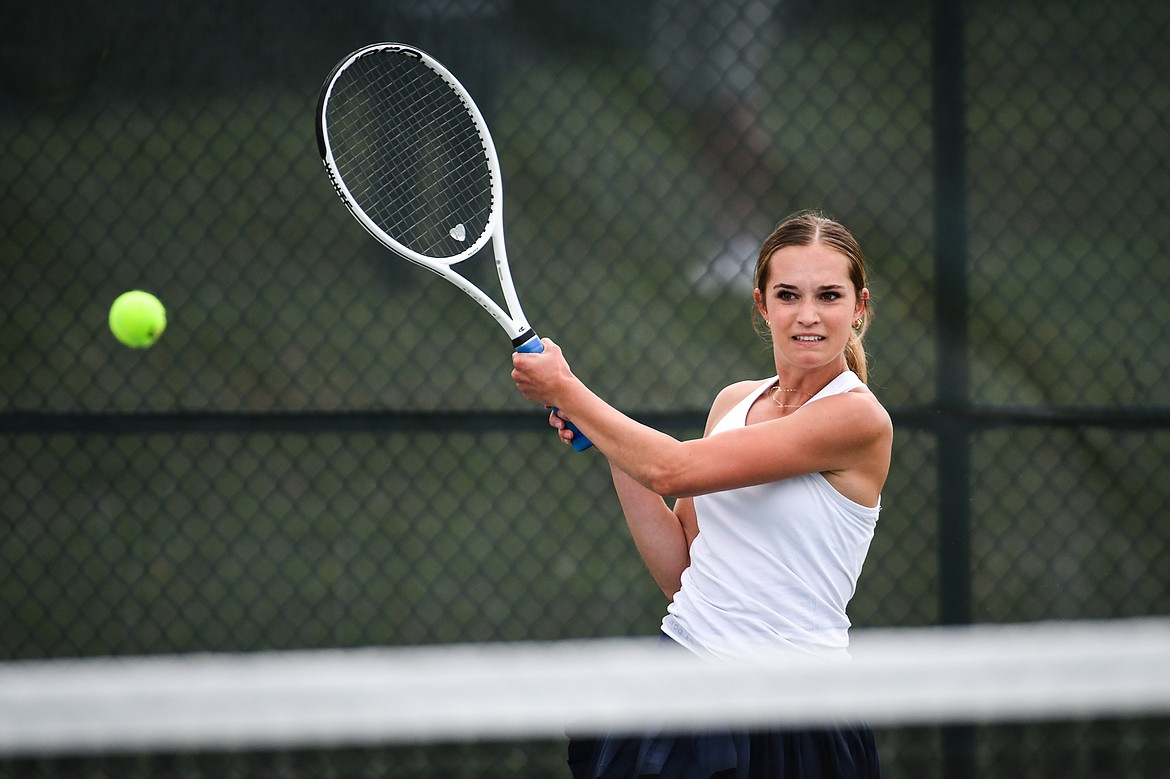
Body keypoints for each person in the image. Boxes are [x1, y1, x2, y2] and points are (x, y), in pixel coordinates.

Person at [511, 210, 890, 778]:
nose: (807, 315)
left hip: (794, 712)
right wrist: (612, 448)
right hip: (685, 680)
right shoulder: (733, 402)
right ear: (762, 306)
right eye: (788, 295)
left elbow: (672, 469)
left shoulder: (857, 420)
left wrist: (568, 389)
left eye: (829, 296)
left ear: (858, 307)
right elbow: (681, 569)